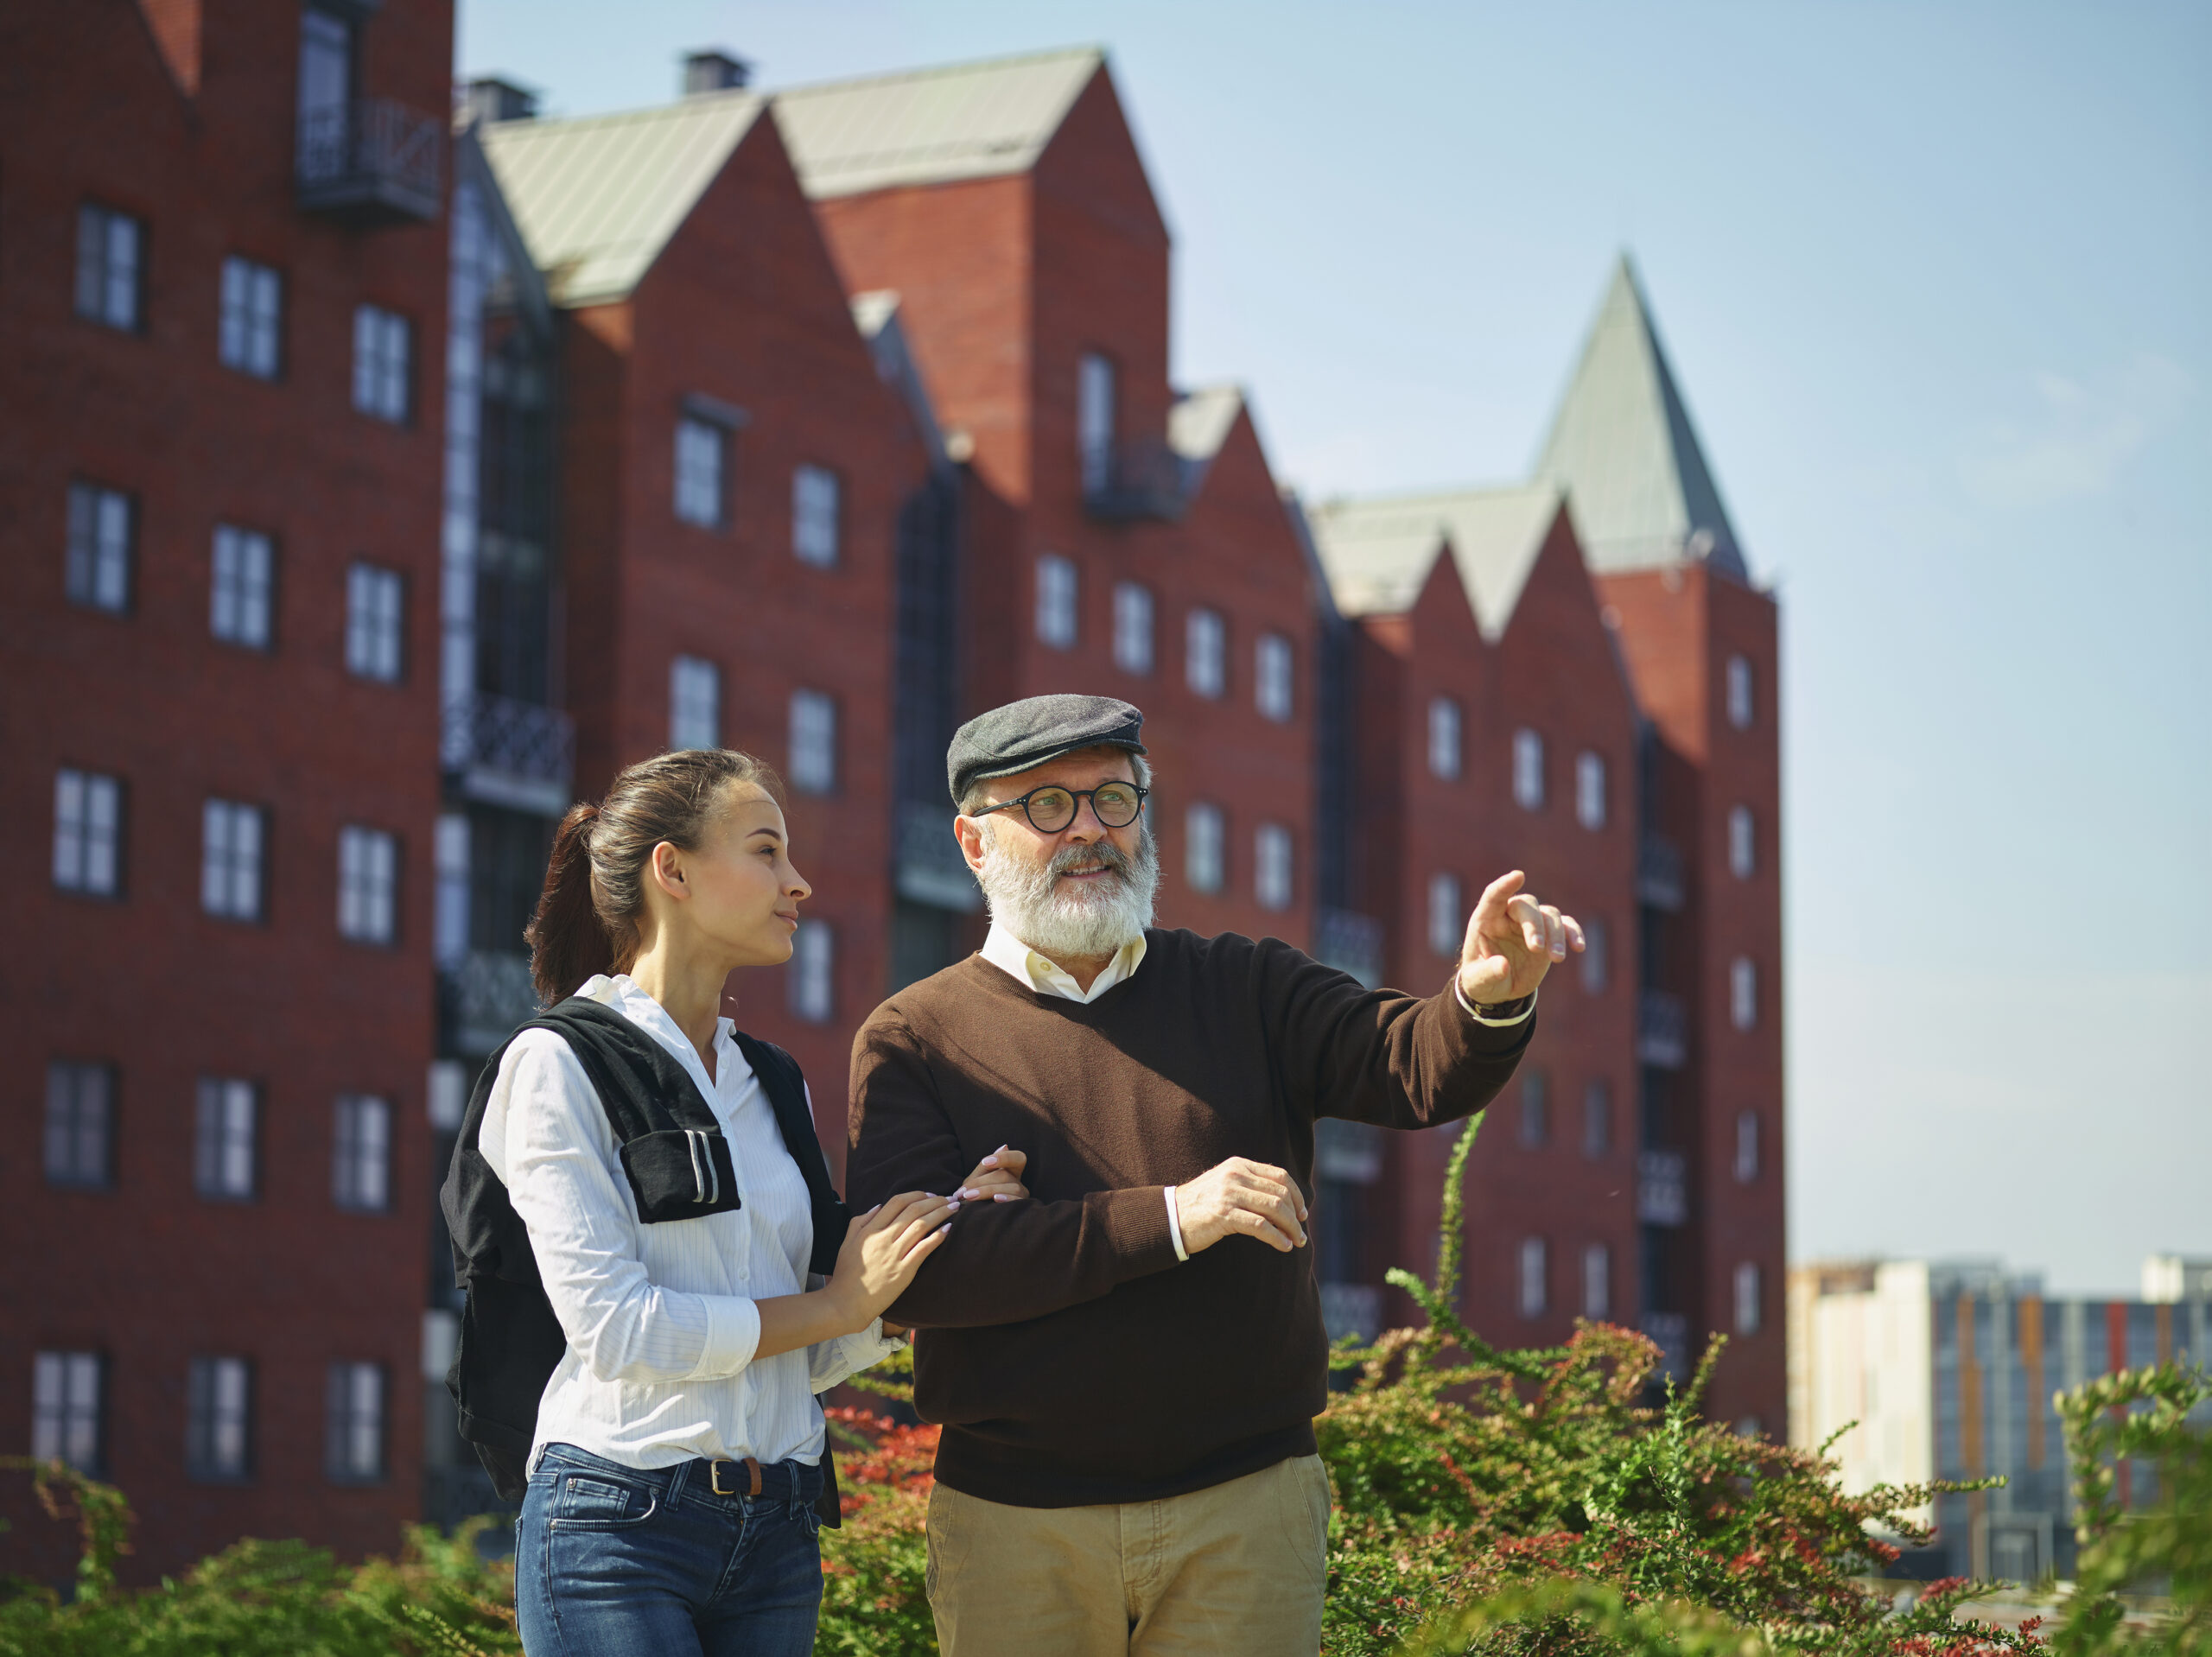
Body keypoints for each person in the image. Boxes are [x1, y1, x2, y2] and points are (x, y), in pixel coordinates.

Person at [845, 694, 1584, 1657]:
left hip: (1245, 1511)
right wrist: (1173, 1216)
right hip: (1014, 1524)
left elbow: (1408, 1062)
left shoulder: (1247, 986)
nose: (1091, 833)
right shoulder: (914, 1039)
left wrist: (1486, 999)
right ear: (973, 842)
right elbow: (926, 1275)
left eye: (1114, 798)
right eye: (1048, 807)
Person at [457, 748, 1024, 1657]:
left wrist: (936, 1235)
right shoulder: (557, 1063)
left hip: (780, 1531)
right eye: (766, 851)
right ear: (671, 870)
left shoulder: (773, 1081)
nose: (797, 884)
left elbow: (807, 1349)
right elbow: (616, 1328)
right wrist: (838, 1302)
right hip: (618, 1523)